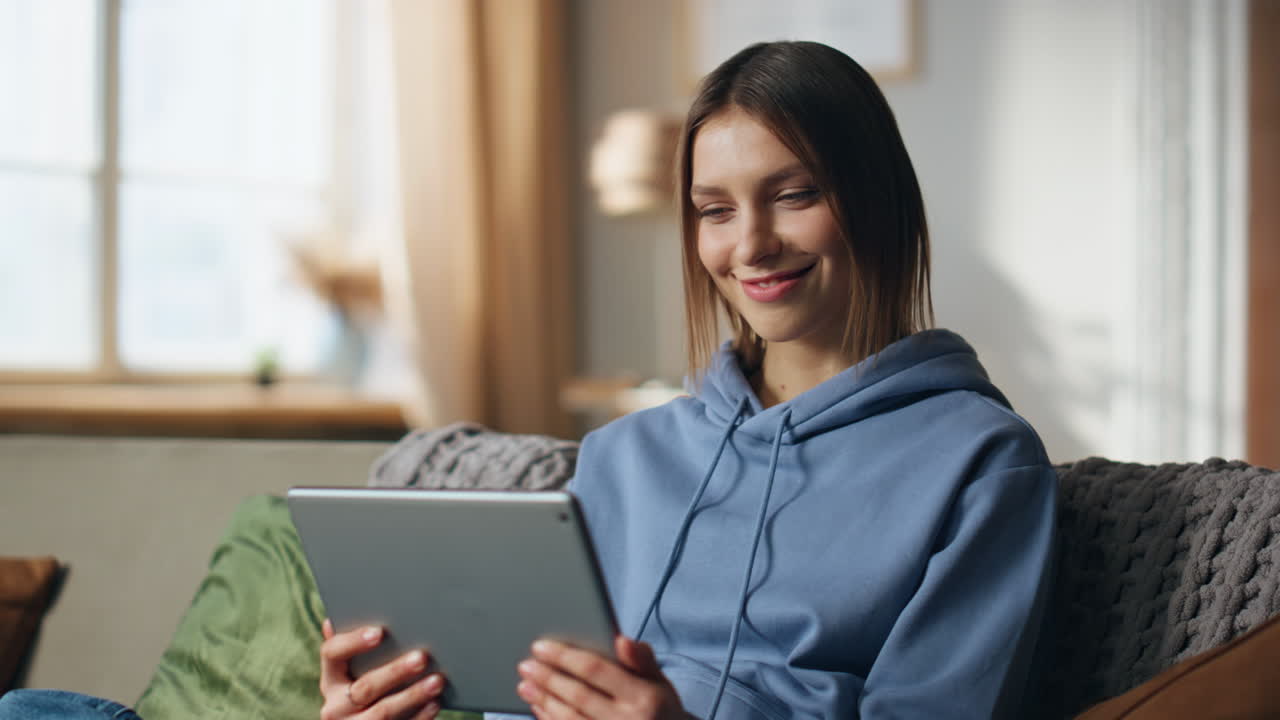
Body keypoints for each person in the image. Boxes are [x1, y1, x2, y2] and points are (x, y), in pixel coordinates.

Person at [318, 40, 1057, 720]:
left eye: (795, 195)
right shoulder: (622, 456)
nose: (752, 245)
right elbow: (532, 700)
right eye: (715, 211)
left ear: (878, 200)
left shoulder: (981, 462)